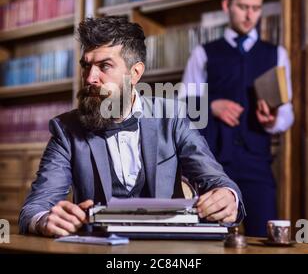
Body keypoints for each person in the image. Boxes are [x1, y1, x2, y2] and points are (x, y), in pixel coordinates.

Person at [19, 16, 245, 237]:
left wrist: (228, 196)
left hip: (166, 251)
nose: (90, 78)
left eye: (104, 66)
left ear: (135, 73)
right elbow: (35, 208)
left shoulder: (172, 116)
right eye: (86, 66)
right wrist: (44, 220)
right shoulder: (65, 129)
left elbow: (216, 180)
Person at [180, 0, 294, 237]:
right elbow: (182, 107)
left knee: (264, 240)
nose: (249, 15)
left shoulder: (277, 54)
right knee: (208, 239)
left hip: (258, 164)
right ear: (226, 5)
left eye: (256, 8)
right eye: (243, 7)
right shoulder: (203, 52)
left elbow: (288, 115)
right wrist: (212, 105)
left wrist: (272, 120)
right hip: (212, 165)